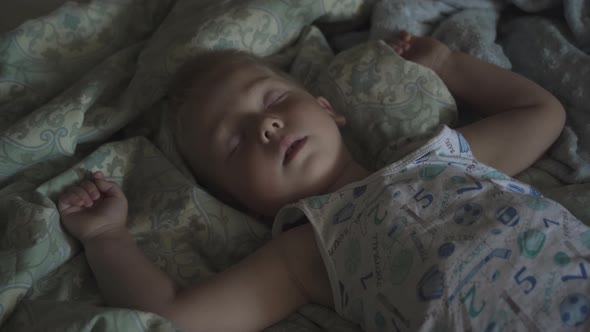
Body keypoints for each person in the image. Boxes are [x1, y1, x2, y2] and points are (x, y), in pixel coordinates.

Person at [57, 32, 590, 332]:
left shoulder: (442, 155)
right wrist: (108, 238)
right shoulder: (307, 250)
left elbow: (541, 114)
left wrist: (449, 62)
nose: (265, 126)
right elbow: (175, 316)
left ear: (327, 109)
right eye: (235, 144)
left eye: (273, 101)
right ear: (240, 203)